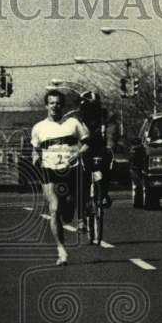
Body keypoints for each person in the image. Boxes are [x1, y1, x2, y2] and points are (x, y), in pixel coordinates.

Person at [31, 89, 90, 266]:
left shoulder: (73, 123)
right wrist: (35, 157)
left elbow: (87, 143)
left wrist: (78, 154)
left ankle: (79, 215)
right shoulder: (39, 128)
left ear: (62, 105)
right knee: (54, 209)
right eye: (51, 103)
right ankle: (61, 250)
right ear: (46, 105)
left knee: (67, 210)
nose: (55, 106)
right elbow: (35, 148)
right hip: (49, 169)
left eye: (58, 103)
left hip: (70, 168)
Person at [70, 90, 114, 216]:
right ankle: (81, 200)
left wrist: (110, 145)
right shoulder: (75, 117)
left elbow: (111, 130)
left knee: (107, 165)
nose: (90, 108)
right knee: (80, 172)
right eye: (87, 105)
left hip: (100, 147)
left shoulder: (104, 115)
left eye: (94, 105)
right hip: (82, 148)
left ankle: (104, 194)